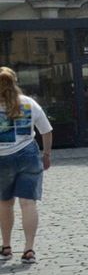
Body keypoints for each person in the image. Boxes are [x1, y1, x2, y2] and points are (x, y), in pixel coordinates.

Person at [0, 67, 53, 264]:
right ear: (15, 81)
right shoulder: (29, 103)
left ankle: (6, 246)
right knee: (28, 203)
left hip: (2, 158)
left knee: (5, 203)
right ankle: (29, 249)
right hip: (28, 155)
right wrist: (46, 154)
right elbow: (46, 130)